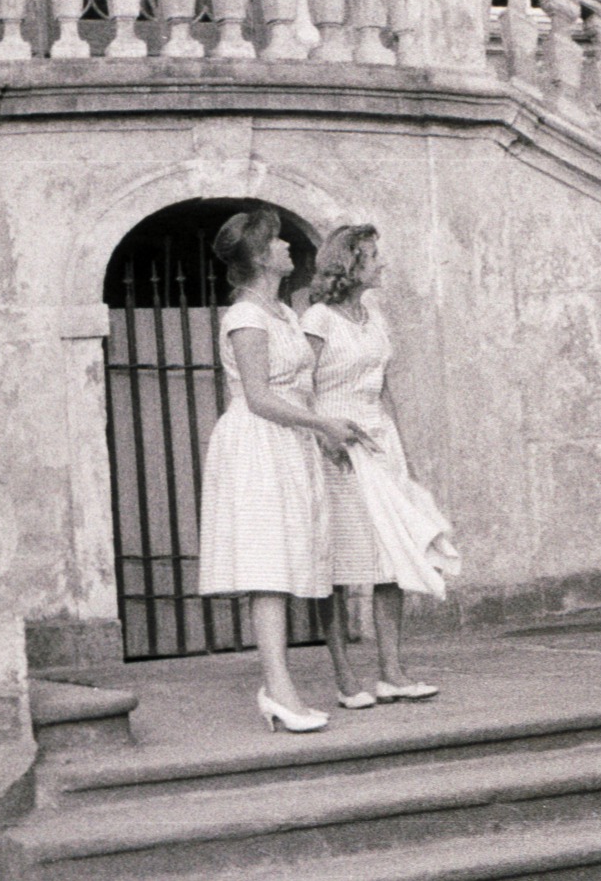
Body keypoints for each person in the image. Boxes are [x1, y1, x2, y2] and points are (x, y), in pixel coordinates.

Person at [197, 208, 369, 733]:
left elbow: (299, 385)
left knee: (289, 561)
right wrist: (322, 424)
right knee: (265, 567)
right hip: (257, 443)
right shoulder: (245, 316)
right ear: (259, 255)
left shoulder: (283, 312)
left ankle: (280, 690)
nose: (290, 249)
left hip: (289, 442)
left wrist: (322, 434)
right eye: (279, 243)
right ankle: (278, 690)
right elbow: (259, 398)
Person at [302, 224, 460, 710]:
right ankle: (345, 676)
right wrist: (321, 431)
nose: (382, 263)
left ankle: (392, 672)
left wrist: (402, 450)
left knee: (394, 554)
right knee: (336, 562)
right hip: (335, 444)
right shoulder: (318, 319)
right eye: (373, 256)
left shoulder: (373, 315)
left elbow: (383, 384)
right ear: (350, 265)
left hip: (378, 440)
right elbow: (298, 384)